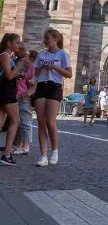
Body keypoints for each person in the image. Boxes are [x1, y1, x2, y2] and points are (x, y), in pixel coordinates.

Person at [34, 29, 72, 167]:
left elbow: (69, 74)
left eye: (47, 38)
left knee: (50, 122)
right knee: (40, 121)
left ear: (55, 39)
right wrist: (41, 68)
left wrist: (55, 67)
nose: (45, 41)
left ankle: (54, 151)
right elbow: (35, 73)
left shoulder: (63, 54)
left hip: (54, 86)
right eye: (45, 38)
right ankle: (43, 155)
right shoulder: (41, 55)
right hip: (41, 86)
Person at [0, 34, 31, 165]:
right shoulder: (5, 56)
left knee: (1, 122)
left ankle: (6, 154)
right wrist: (20, 64)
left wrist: (17, 74)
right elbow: (8, 75)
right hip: (6, 92)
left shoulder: (7, 56)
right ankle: (6, 154)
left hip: (5, 90)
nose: (18, 45)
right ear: (9, 43)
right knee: (15, 121)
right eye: (17, 43)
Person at [13, 49, 37, 156]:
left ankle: (25, 146)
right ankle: (18, 145)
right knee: (18, 122)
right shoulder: (22, 66)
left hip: (24, 97)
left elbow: (34, 83)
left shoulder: (32, 68)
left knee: (25, 122)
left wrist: (27, 94)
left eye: (25, 57)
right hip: (17, 95)